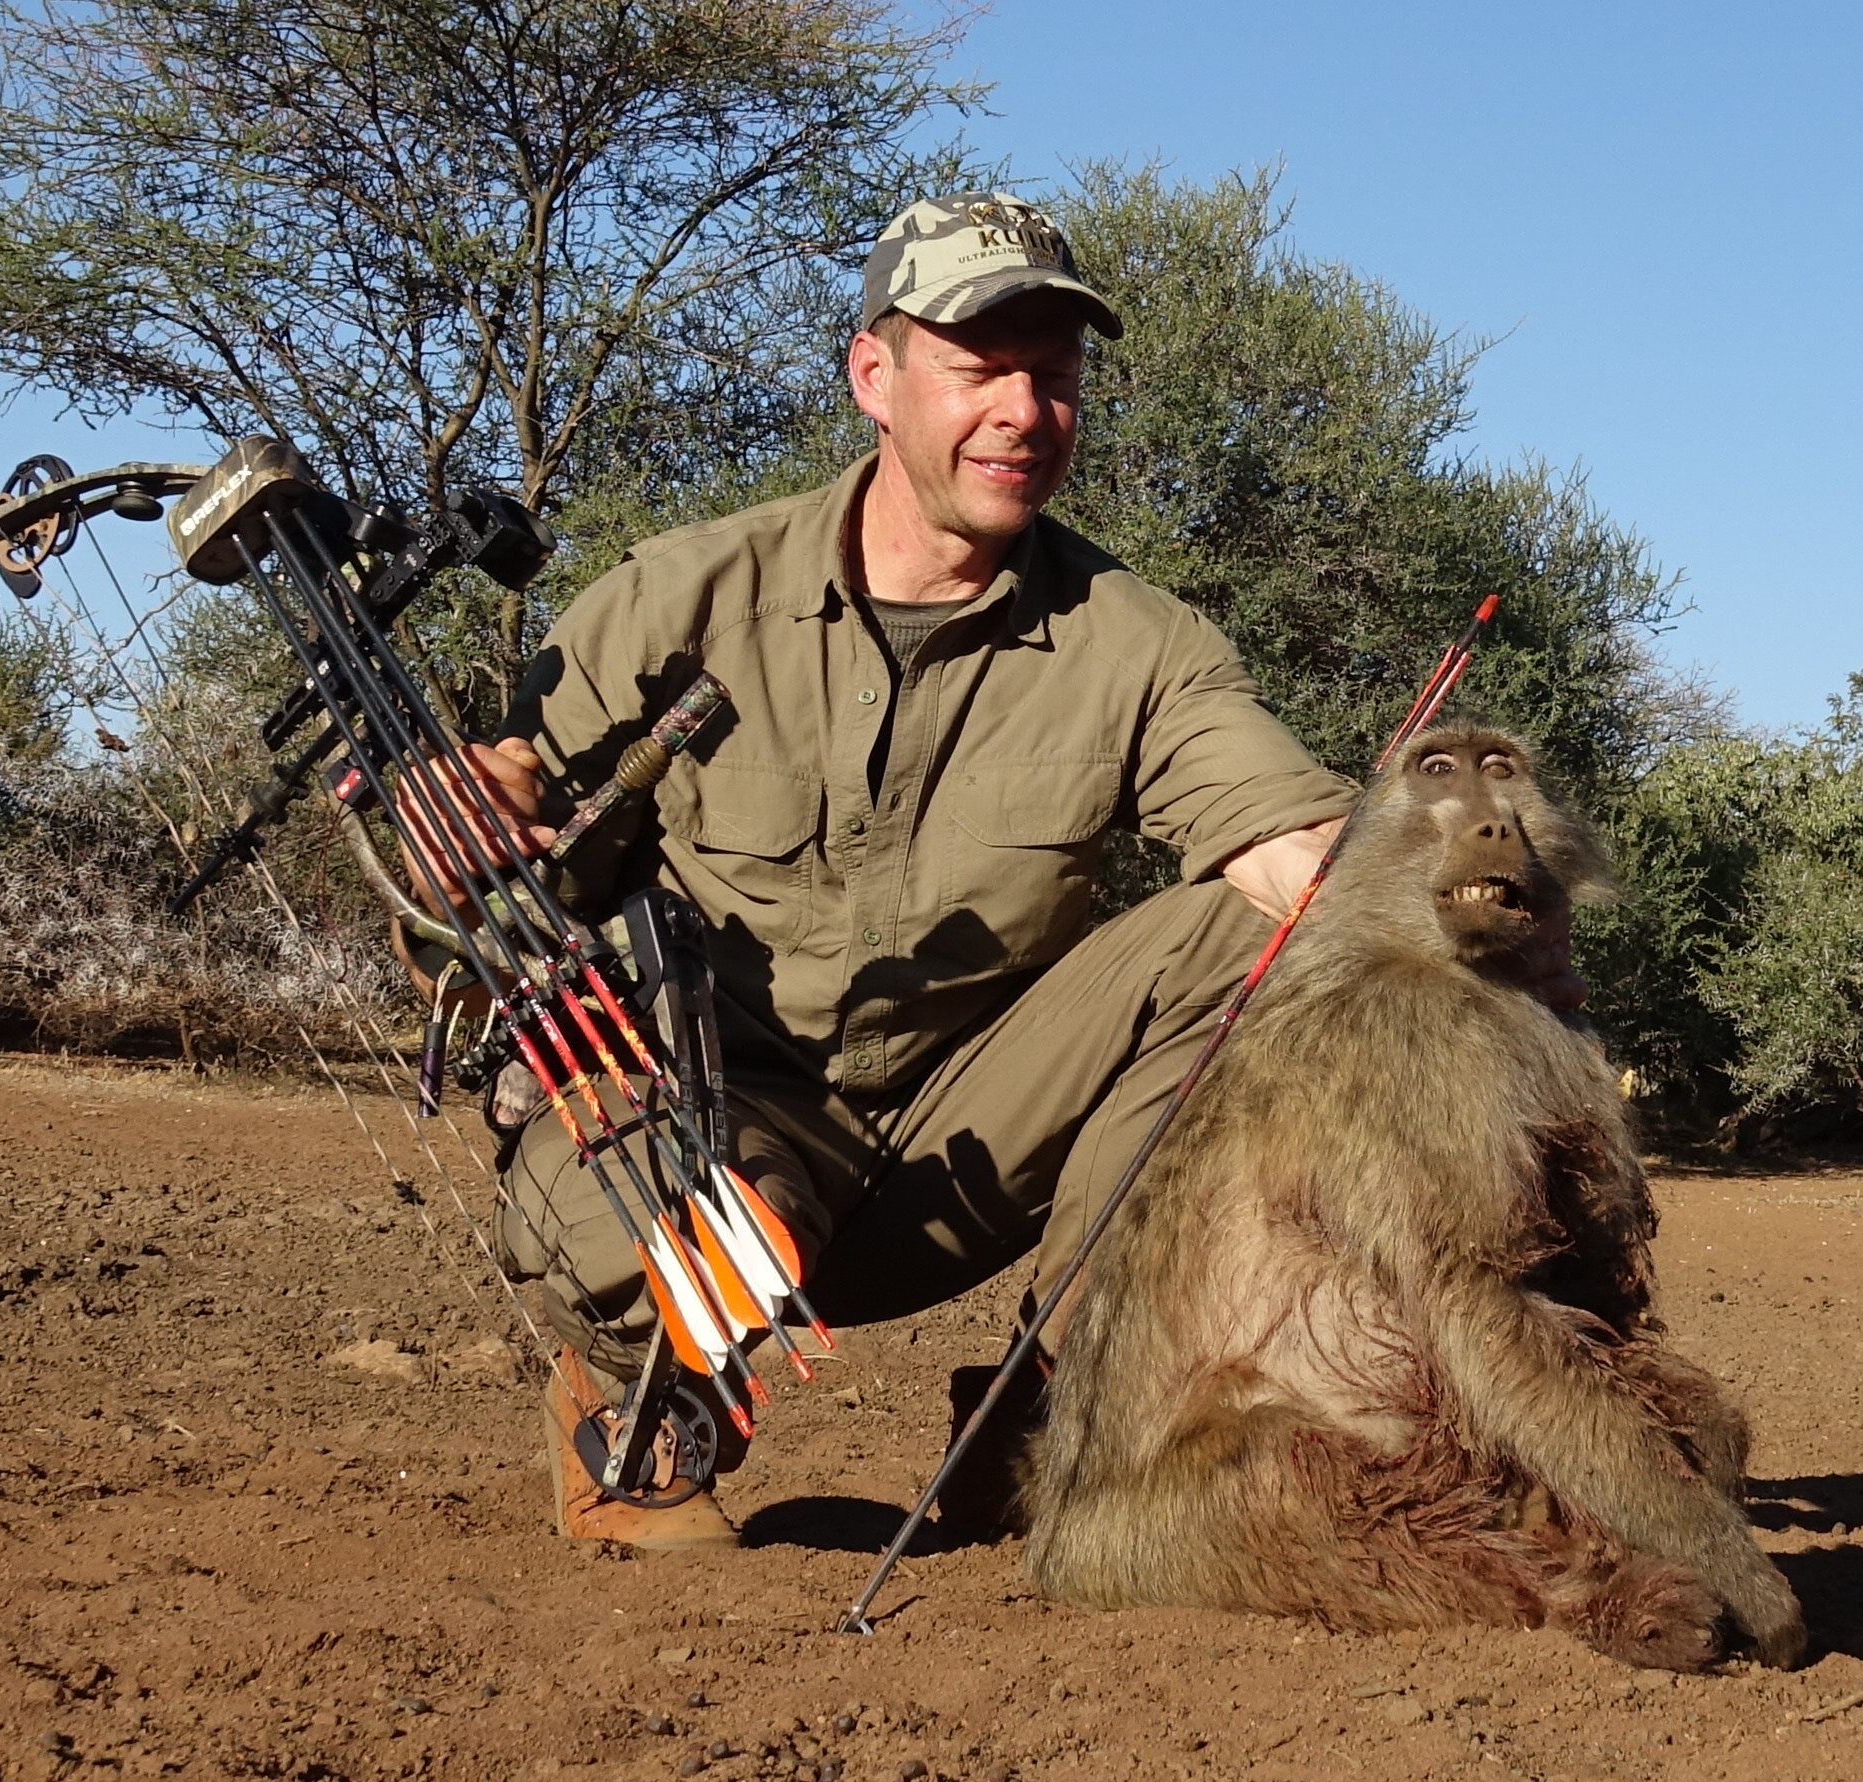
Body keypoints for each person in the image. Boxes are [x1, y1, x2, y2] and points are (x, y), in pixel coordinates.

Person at [467, 192, 1354, 1548]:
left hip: (976, 1146)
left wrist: (1453, 928)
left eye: (1053, 378)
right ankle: (634, 1415)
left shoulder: (1142, 640)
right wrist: (474, 832)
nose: (1023, 411)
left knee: (1252, 943)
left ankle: (1059, 1405)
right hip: (721, 1128)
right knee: (670, 1203)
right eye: (982, 368)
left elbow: (1295, 856)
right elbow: (491, 864)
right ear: (874, 376)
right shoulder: (680, 598)